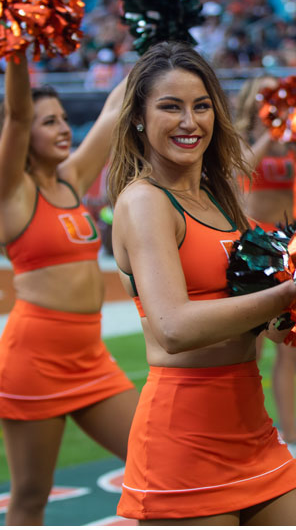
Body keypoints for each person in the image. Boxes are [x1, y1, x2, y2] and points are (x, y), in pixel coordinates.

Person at [107, 42, 296, 524]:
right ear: (139, 118)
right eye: (171, 106)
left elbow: (263, 324)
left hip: (250, 425)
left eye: (201, 106)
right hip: (183, 439)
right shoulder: (145, 202)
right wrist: (289, 293)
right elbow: (174, 328)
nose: (190, 122)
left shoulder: (222, 200)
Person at [0, 54, 136, 525]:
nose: (63, 129)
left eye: (63, 119)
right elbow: (16, 113)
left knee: (155, 456)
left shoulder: (73, 177)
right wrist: (17, 50)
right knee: (31, 497)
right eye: (48, 122)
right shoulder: (11, 191)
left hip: (90, 356)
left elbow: (115, 110)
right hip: (34, 360)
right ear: (21, 135)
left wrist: (160, 44)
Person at [232, 75, 296, 464]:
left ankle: (290, 436)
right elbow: (237, 170)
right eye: (266, 95)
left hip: (288, 248)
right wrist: (269, 134)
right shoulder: (240, 138)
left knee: (291, 348)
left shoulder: (293, 139)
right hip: (254, 247)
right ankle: (246, 436)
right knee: (250, 351)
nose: (274, 102)